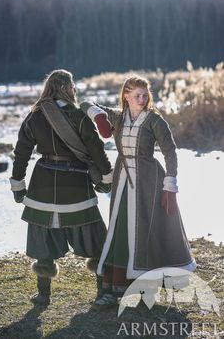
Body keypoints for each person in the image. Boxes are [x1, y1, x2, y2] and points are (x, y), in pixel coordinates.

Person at [80, 74, 197, 309]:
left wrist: (170, 184)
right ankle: (116, 288)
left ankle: (146, 290)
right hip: (123, 180)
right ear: (126, 95)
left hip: (149, 181)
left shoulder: (155, 120)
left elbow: (170, 151)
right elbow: (84, 104)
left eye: (145, 95)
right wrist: (100, 117)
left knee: (147, 231)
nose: (142, 99)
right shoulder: (118, 117)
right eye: (137, 96)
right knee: (120, 230)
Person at [10, 69, 112, 306]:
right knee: (95, 239)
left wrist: (18, 184)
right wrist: (106, 178)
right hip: (76, 185)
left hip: (42, 186)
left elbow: (22, 152)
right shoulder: (78, 115)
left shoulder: (35, 115)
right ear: (69, 88)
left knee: (43, 239)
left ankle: (43, 295)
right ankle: (103, 293)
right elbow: (96, 148)